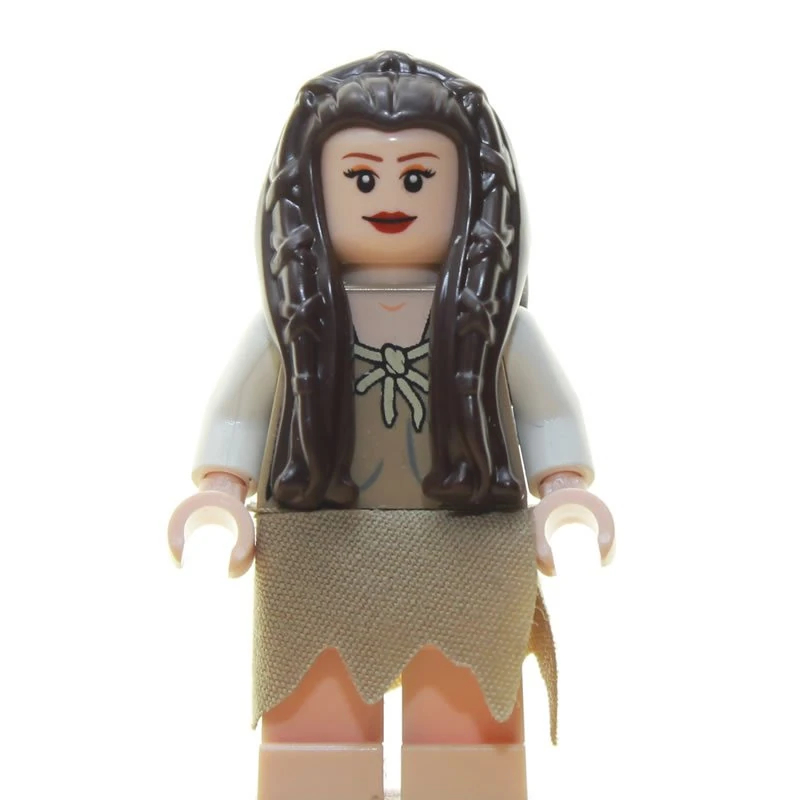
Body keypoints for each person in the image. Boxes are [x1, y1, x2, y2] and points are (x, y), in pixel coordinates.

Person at [169, 51, 614, 800]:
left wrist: (564, 490)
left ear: (470, 191)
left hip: (467, 544)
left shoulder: (492, 322)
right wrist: (220, 492)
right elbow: (239, 411)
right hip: (320, 547)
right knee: (317, 726)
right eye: (360, 177)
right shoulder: (296, 323)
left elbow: (547, 411)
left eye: (416, 179)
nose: (388, 198)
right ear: (310, 192)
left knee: (464, 724)